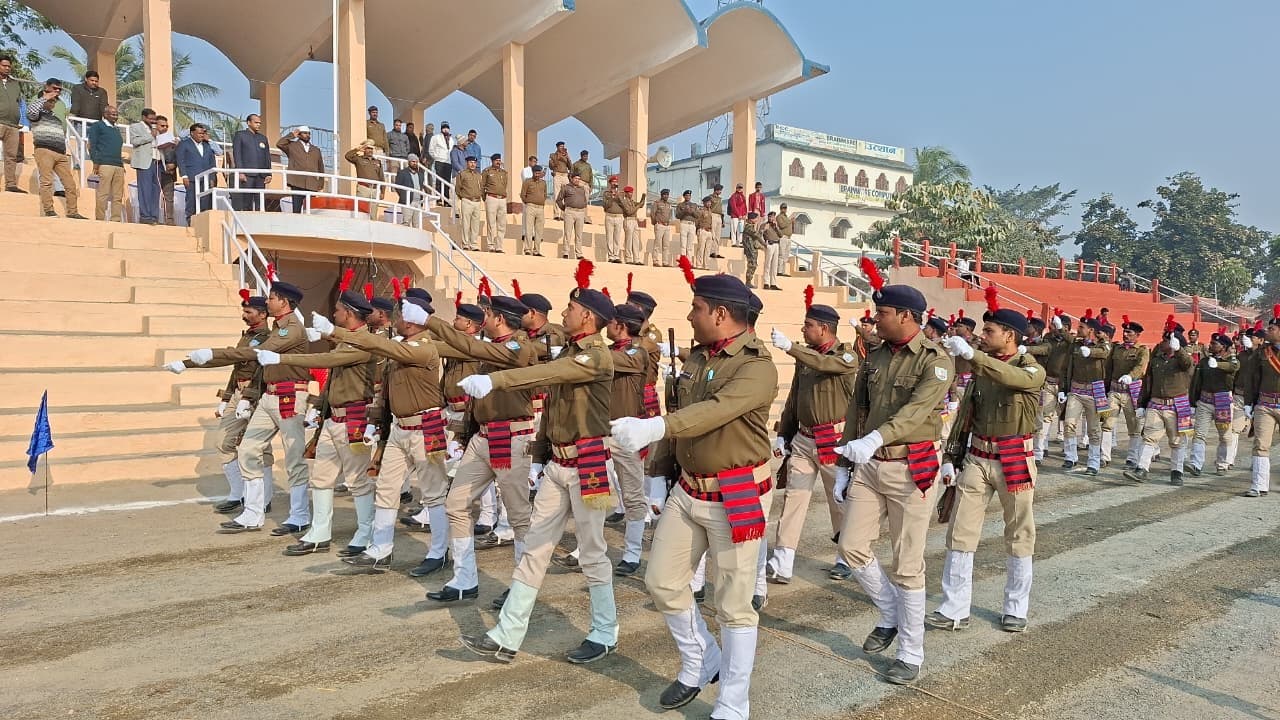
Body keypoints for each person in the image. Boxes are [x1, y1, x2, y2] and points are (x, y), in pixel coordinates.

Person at [610, 273, 778, 719]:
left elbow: (716, 410)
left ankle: (733, 703)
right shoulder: (699, 357)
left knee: (735, 605)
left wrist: (657, 426)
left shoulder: (757, 366)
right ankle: (702, 658)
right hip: (689, 486)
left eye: (697, 307)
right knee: (662, 582)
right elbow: (683, 411)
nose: (690, 315)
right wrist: (660, 473)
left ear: (720, 314)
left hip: (737, 489)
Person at [458, 286, 620, 664]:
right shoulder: (571, 350)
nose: (565, 311)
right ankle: (507, 633)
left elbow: (548, 373)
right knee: (535, 547)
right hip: (559, 464)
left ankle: (604, 631)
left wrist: (496, 381)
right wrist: (539, 456)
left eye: (572, 307)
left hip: (588, 463)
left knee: (593, 551)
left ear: (589, 318)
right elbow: (552, 409)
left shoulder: (596, 356)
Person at [834, 276, 952, 685]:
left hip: (911, 465)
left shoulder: (935, 360)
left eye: (882, 314)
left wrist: (873, 439)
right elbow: (857, 407)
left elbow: (918, 412)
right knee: (850, 546)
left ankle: (911, 652)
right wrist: (843, 460)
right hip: (868, 463)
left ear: (905, 316)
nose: (875, 319)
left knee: (907, 562)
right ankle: (890, 613)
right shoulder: (875, 356)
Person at [930, 299, 1043, 633]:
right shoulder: (982, 366)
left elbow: (1015, 378)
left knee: (1020, 532)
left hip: (1014, 456)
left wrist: (972, 356)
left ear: (1009, 335)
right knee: (960, 532)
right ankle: (954, 608)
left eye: (990, 331)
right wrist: (951, 458)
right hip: (978, 456)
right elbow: (966, 414)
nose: (983, 336)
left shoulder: (1031, 367)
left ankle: (1015, 608)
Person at [423, 295, 539, 603]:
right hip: (484, 437)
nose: (482, 319)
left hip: (513, 437)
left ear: (499, 318)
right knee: (456, 503)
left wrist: (429, 320)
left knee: (518, 516)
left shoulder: (518, 346)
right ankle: (464, 579)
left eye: (486, 314)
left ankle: (523, 586)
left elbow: (473, 347)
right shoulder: (490, 349)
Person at [318, 293, 447, 571]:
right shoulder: (401, 346)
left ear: (411, 322)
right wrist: (375, 424)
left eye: (401, 316)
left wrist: (335, 332)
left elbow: (381, 345)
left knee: (434, 493)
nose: (396, 319)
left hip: (426, 428)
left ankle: (439, 552)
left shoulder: (424, 347)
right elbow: (386, 394)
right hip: (400, 428)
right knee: (386, 490)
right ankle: (380, 548)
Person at [183, 280, 312, 534]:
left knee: (294, 457)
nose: (267, 301)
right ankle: (253, 513)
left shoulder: (292, 328)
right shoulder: (278, 327)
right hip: (268, 396)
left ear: (283, 302)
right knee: (249, 449)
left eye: (272, 298)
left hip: (289, 396)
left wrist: (211, 353)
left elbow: (257, 354)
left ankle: (299, 514)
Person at [258, 287, 376, 557]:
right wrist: (318, 410)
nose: (334, 314)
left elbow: (325, 360)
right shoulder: (346, 341)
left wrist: (282, 357)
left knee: (357, 480)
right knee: (321, 478)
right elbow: (332, 378)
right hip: (334, 418)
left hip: (353, 420)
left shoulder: (364, 341)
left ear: (349, 313)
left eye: (338, 310)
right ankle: (320, 532)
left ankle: (365, 532)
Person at [768, 298, 860, 585]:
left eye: (808, 325)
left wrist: (790, 348)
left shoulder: (846, 357)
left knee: (839, 500)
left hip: (834, 440)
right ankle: (783, 561)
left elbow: (825, 363)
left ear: (824, 329)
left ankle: (845, 557)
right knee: (794, 498)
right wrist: (784, 433)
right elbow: (794, 400)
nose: (803, 330)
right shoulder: (805, 357)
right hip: (804, 439)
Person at [165, 291, 276, 515]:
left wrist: (249, 397)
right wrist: (227, 398)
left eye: (248, 311)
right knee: (224, 442)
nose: (244, 315)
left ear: (263, 314)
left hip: (254, 395)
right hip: (238, 392)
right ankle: (238, 494)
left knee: (258, 447)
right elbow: (237, 368)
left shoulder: (267, 338)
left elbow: (258, 371)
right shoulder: (248, 335)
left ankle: (264, 498)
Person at [604, 303, 652, 576]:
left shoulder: (637, 352)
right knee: (592, 492)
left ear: (620, 326)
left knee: (633, 497)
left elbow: (612, 361)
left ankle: (632, 554)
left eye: (610, 323)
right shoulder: (608, 352)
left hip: (626, 434)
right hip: (601, 432)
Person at [1123, 320, 1194, 485]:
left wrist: (1179, 350)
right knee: (1149, 438)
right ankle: (1142, 469)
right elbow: (1147, 382)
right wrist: (1141, 404)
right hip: (1155, 404)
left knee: (1176, 440)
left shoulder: (1182, 360)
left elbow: (1188, 364)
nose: (1161, 343)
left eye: (1165, 340)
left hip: (1176, 405)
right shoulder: (1157, 360)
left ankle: (1177, 471)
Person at [1060, 311, 1112, 475]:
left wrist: (1090, 352)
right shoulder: (1076, 344)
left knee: (1094, 430)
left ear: (1091, 330)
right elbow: (1066, 367)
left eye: (1081, 327)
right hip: (1075, 390)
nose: (1078, 329)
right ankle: (1070, 457)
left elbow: (1105, 352)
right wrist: (1063, 389)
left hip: (1094, 392)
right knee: (1069, 423)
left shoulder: (1103, 345)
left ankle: (1094, 463)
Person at [28, 78, 85, 219]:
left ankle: (73, 212)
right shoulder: (37, 114)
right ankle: (49, 210)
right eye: (50, 100)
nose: (53, 101)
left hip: (60, 153)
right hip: (44, 150)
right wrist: (45, 97)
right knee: (47, 182)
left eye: (54, 101)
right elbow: (31, 111)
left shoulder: (56, 119)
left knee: (70, 184)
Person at [1239, 308, 1280, 496]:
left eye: (1272, 328)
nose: (1268, 331)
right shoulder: (1263, 352)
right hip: (1265, 404)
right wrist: (1249, 402)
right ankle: (1258, 485)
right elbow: (1251, 377)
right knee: (1260, 445)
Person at [1188, 331, 1240, 476]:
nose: (1210, 345)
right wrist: (1193, 402)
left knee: (1224, 435)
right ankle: (1196, 464)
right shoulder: (1204, 361)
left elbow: (1233, 367)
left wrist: (1217, 365)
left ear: (1223, 347)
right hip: (1205, 401)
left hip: (1222, 401)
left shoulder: (1232, 360)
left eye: (1214, 343)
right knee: (1199, 434)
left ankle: (1222, 463)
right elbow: (1196, 383)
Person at [1105, 317, 1150, 468]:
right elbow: (1108, 369)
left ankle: (1132, 457)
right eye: (1124, 331)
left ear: (1137, 335)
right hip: (1114, 390)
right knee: (1107, 423)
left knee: (1134, 427)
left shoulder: (1142, 350)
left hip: (1131, 392)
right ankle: (1104, 456)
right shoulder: (1116, 348)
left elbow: (1141, 367)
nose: (1125, 334)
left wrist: (1130, 376)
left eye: (1129, 332)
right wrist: (1105, 389)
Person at [88, 105, 125, 222]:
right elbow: (91, 145)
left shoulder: (116, 129)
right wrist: (95, 162)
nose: (115, 116)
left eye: (116, 114)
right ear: (105, 115)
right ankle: (100, 219)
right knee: (103, 194)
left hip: (118, 165)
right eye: (112, 114)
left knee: (118, 196)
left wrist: (122, 165)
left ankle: (116, 219)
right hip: (105, 164)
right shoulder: (98, 126)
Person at [277, 125, 325, 214]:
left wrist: (320, 182)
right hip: (297, 182)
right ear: (299, 135)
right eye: (305, 133)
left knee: (310, 210)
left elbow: (320, 167)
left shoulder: (316, 150)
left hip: (312, 183)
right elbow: (280, 144)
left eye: (309, 133)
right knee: (297, 209)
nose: (307, 135)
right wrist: (291, 135)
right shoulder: (292, 146)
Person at [176, 123, 218, 221]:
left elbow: (212, 161)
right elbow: (180, 160)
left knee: (206, 201)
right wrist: (184, 176)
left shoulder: (207, 145)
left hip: (206, 179)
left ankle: (203, 222)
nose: (201, 135)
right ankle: (190, 222)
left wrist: (212, 177)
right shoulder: (184, 144)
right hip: (191, 178)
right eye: (199, 133)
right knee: (192, 201)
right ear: (192, 133)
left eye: (203, 133)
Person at [231, 114, 271, 211]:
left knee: (260, 201)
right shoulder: (240, 135)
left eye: (259, 123)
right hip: (247, 174)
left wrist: (269, 173)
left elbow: (267, 156)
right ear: (248, 123)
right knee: (246, 200)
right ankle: (246, 220)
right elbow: (237, 154)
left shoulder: (263, 138)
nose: (258, 125)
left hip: (261, 176)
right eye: (256, 122)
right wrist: (240, 171)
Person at [129, 108, 161, 223]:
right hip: (144, 162)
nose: (153, 121)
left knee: (155, 190)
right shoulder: (135, 127)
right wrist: (150, 136)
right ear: (144, 117)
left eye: (154, 119)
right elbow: (134, 141)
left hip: (156, 161)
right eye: (150, 119)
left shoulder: (156, 128)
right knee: (145, 190)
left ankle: (154, 216)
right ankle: (145, 216)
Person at [0, 55, 25, 193]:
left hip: (13, 125)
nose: (7, 68)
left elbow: (19, 103)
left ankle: (10, 184)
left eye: (9, 66)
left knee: (11, 155)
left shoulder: (15, 84)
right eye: (4, 65)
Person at [345, 139, 383, 219]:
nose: (370, 150)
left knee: (373, 214)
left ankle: (372, 230)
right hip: (363, 188)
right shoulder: (359, 159)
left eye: (371, 148)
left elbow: (381, 177)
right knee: (361, 211)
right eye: (368, 148)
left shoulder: (377, 162)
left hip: (375, 190)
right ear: (364, 149)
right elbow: (347, 156)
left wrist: (382, 191)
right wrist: (358, 149)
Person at [454, 155, 484, 251]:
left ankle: (473, 244)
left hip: (477, 201)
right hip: (467, 200)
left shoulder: (479, 175)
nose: (473, 164)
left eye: (474, 163)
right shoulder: (462, 174)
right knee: (466, 223)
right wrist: (463, 197)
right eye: (471, 162)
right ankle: (465, 243)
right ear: (467, 163)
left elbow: (482, 188)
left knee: (475, 225)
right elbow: (458, 188)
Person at [555, 172, 588, 259]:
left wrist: (583, 206)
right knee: (567, 233)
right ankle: (566, 252)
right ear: (571, 178)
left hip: (580, 212)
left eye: (578, 179)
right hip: (569, 212)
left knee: (579, 234)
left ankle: (579, 253)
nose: (577, 180)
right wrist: (564, 209)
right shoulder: (566, 187)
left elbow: (585, 200)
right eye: (576, 178)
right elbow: (558, 200)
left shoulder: (582, 189)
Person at [481, 154, 509, 252]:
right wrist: (486, 198)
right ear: (492, 161)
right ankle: (491, 245)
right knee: (491, 223)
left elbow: (505, 185)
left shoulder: (504, 173)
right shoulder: (487, 171)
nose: (498, 162)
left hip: (502, 199)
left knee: (502, 224)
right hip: (491, 197)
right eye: (496, 160)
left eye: (499, 160)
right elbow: (482, 185)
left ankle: (499, 246)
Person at [154, 116, 179, 224]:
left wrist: (174, 164)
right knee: (154, 195)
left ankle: (169, 220)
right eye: (162, 125)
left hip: (169, 172)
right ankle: (154, 218)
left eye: (166, 126)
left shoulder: (171, 138)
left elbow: (179, 156)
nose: (165, 128)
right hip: (156, 169)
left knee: (169, 197)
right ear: (156, 125)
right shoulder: (151, 138)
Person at [520, 165, 547, 255]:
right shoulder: (527, 182)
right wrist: (527, 202)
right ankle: (527, 249)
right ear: (533, 172)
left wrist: (542, 201)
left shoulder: (543, 183)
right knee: (529, 228)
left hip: (540, 208)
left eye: (539, 173)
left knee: (539, 230)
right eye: (536, 173)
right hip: (530, 206)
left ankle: (537, 250)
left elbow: (545, 194)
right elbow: (523, 194)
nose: (537, 174)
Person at [394, 153, 427, 226]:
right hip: (408, 201)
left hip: (418, 202)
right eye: (413, 161)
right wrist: (404, 196)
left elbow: (421, 186)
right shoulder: (402, 172)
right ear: (409, 162)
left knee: (417, 224)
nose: (415, 163)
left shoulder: (420, 174)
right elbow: (397, 186)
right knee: (406, 222)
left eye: (416, 162)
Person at [602, 175, 625, 262]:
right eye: (613, 182)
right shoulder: (606, 193)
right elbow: (605, 206)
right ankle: (611, 256)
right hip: (609, 216)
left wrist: (618, 196)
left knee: (617, 237)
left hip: (619, 217)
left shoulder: (621, 194)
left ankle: (616, 255)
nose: (615, 183)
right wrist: (612, 197)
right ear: (610, 183)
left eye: (616, 182)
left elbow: (623, 205)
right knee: (609, 237)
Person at [428, 122, 454, 200]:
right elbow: (431, 149)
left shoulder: (451, 139)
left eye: (447, 128)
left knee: (447, 181)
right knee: (439, 180)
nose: (446, 129)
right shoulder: (435, 137)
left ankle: (446, 199)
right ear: (441, 129)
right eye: (444, 128)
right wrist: (437, 157)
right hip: (439, 161)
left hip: (448, 162)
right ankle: (438, 198)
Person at [547, 141, 572, 219]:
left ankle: (563, 214)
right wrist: (558, 156)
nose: (563, 148)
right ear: (557, 147)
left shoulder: (566, 156)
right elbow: (551, 166)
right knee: (557, 194)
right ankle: (556, 214)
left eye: (563, 146)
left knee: (566, 194)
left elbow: (571, 167)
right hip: (557, 174)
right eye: (561, 146)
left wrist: (567, 157)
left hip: (565, 175)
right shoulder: (553, 155)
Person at [649, 189, 674, 267]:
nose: (666, 196)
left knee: (666, 245)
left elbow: (669, 214)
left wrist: (669, 222)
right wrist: (655, 222)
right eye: (664, 194)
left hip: (666, 226)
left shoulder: (669, 204)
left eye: (667, 194)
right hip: (659, 225)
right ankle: (655, 260)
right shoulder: (657, 203)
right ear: (661, 195)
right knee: (657, 244)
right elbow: (652, 213)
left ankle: (665, 262)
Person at [622, 185, 645, 265]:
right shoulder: (624, 201)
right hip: (628, 219)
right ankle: (628, 258)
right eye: (629, 192)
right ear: (625, 193)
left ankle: (636, 259)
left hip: (634, 220)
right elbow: (629, 212)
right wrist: (638, 206)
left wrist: (643, 198)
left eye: (631, 192)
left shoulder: (632, 201)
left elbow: (641, 205)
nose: (631, 194)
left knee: (636, 241)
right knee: (628, 240)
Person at [675, 190, 699, 263]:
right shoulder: (680, 205)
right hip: (684, 223)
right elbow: (677, 216)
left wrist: (692, 211)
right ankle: (683, 261)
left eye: (689, 195)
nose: (688, 197)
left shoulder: (694, 205)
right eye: (687, 195)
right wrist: (684, 211)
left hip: (692, 224)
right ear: (684, 196)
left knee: (690, 245)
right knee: (683, 244)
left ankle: (689, 262)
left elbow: (697, 215)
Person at [761, 212, 782, 291]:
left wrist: (776, 227)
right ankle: (766, 282)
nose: (771, 218)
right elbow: (760, 234)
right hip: (769, 244)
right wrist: (764, 244)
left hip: (776, 244)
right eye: (770, 217)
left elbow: (781, 235)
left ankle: (773, 283)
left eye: (773, 217)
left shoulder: (776, 225)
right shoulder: (765, 225)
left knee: (774, 265)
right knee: (767, 264)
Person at [695, 196, 715, 269]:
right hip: (702, 230)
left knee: (707, 250)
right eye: (708, 202)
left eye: (710, 202)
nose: (709, 203)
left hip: (709, 231)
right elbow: (697, 221)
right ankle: (699, 264)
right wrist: (698, 230)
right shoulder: (701, 210)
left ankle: (706, 265)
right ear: (704, 203)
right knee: (701, 248)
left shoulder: (710, 211)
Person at [775, 203, 793, 277]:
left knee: (786, 256)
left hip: (788, 237)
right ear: (780, 208)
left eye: (785, 208)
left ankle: (783, 271)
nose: (784, 209)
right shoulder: (779, 217)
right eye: (783, 208)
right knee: (781, 254)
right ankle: (779, 271)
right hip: (783, 237)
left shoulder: (787, 217)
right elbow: (782, 225)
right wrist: (790, 221)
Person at [728, 183, 747, 247]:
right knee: (734, 229)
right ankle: (733, 242)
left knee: (741, 230)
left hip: (741, 216)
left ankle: (739, 242)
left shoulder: (743, 196)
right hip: (735, 216)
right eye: (738, 187)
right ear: (736, 188)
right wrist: (738, 214)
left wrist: (744, 214)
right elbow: (733, 207)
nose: (739, 189)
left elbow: (744, 206)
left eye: (741, 188)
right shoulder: (733, 196)